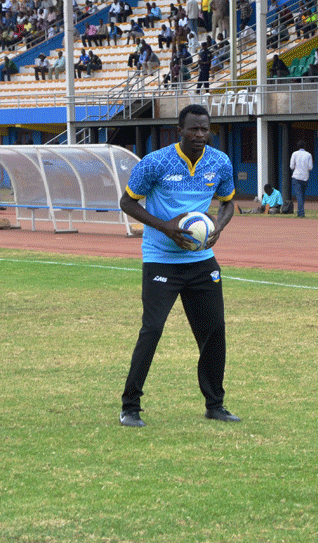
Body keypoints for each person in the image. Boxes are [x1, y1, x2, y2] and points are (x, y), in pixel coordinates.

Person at [118, 104, 238, 428]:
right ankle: (130, 406)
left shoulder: (220, 162)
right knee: (152, 329)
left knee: (214, 332)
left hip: (200, 261)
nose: (200, 135)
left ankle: (215, 405)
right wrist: (164, 226)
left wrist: (218, 229)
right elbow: (127, 201)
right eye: (193, 129)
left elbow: (228, 204)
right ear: (179, 130)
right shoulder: (155, 162)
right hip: (161, 259)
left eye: (204, 129)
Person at [289, 140, 313, 218]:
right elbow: (310, 167)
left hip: (296, 177)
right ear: (304, 146)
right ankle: (300, 212)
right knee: (302, 195)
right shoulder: (308, 155)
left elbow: (291, 166)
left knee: (299, 195)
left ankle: (301, 213)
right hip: (305, 177)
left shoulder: (294, 154)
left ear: (297, 146)